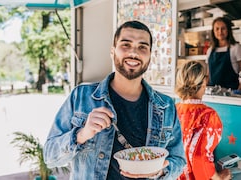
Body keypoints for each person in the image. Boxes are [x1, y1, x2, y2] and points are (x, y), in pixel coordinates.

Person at [43, 20, 186, 180]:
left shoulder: (166, 107)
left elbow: (178, 160)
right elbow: (49, 156)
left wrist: (160, 172)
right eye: (126, 44)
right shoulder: (81, 96)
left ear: (150, 56)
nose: (134, 53)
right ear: (112, 51)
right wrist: (82, 134)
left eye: (142, 47)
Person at [175, 60, 231, 180]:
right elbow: (199, 157)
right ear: (204, 81)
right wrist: (219, 177)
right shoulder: (208, 116)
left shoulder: (173, 110)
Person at [206, 17, 241, 95]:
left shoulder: (237, 48)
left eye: (223, 28)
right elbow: (208, 75)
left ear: (228, 30)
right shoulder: (210, 51)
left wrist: (240, 90)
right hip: (212, 94)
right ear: (213, 31)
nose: (220, 32)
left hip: (231, 94)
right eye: (217, 29)